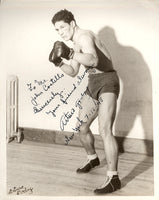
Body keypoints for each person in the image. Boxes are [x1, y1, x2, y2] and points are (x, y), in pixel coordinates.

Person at [49, 9, 121, 194]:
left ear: (72, 23)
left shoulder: (85, 36)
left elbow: (94, 60)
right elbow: (73, 72)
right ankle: (92, 158)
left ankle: (113, 178)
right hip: (93, 82)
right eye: (57, 30)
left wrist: (70, 53)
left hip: (107, 81)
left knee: (105, 129)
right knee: (82, 127)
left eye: (63, 27)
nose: (61, 32)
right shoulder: (75, 43)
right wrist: (58, 63)